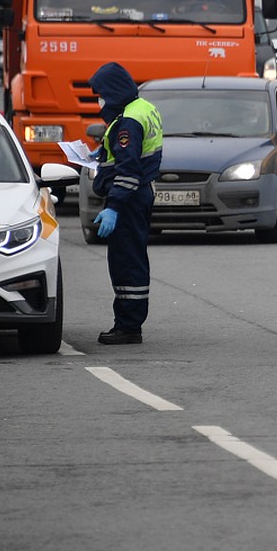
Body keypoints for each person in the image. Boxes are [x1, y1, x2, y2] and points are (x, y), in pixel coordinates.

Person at [89, 62, 164, 345]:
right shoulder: (142, 108)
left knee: (126, 262)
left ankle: (129, 326)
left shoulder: (128, 122)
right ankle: (128, 322)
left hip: (129, 199)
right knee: (132, 258)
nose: (100, 100)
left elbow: (129, 171)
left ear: (113, 91)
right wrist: (105, 152)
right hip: (140, 193)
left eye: (101, 94)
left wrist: (114, 208)